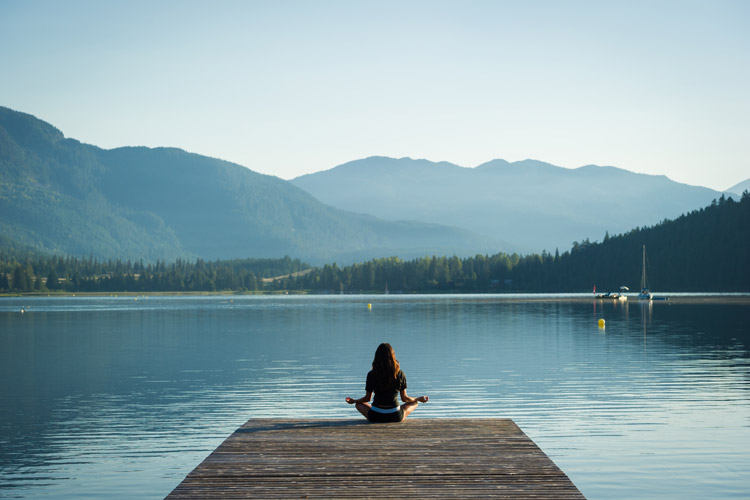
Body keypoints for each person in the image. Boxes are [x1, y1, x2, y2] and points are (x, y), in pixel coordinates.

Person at [346, 342, 428, 423]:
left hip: (375, 416)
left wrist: (354, 401)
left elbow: (367, 398)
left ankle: (375, 411)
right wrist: (418, 399)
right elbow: (404, 398)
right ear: (392, 356)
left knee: (358, 404)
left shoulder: (372, 374)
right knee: (415, 403)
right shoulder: (399, 373)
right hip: (395, 416)